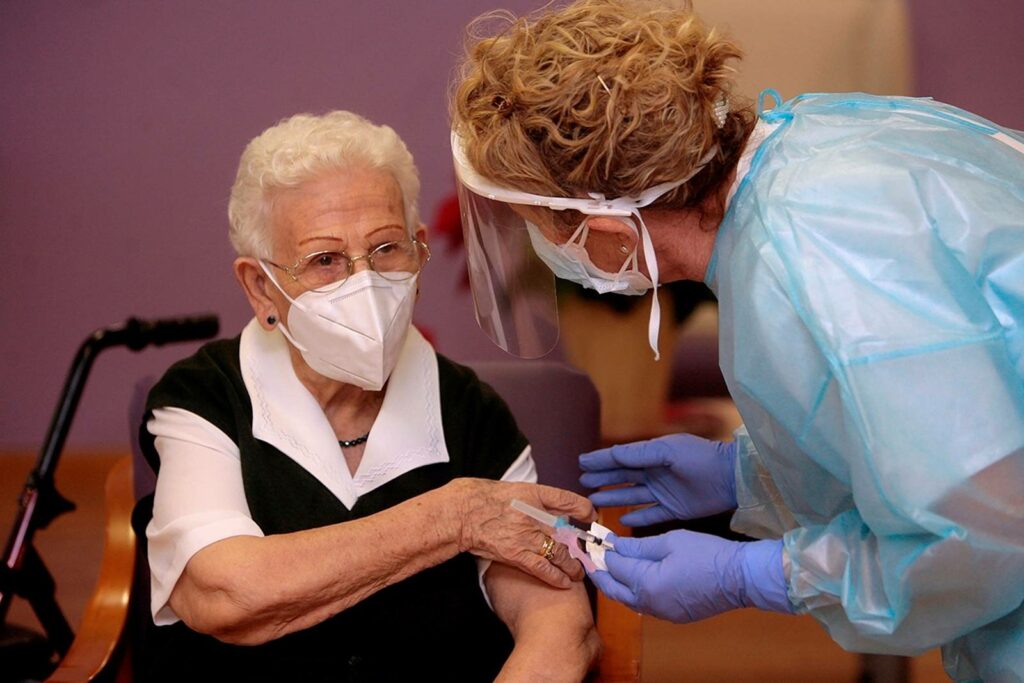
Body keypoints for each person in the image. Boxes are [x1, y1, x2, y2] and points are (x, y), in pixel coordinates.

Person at [448, 1, 1024, 680]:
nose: (546, 248)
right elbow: (941, 422)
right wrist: (749, 473)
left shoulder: (800, 261)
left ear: (607, 230)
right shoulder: (804, 149)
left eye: (538, 225)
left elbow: (983, 532)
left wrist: (758, 574)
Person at [137, 110, 600, 682]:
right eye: (324, 260)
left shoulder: (470, 411)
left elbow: (558, 622)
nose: (365, 281)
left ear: (419, 251)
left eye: (386, 249)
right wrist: (452, 518)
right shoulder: (206, 396)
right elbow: (225, 593)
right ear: (261, 287)